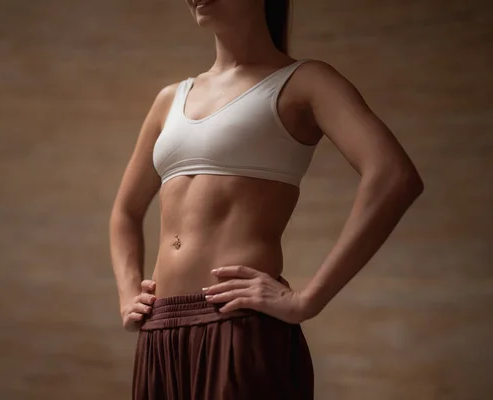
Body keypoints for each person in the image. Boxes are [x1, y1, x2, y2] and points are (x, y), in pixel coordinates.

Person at [109, 0, 424, 399]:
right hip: (162, 331)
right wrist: (127, 293)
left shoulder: (305, 82)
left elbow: (394, 177)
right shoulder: (170, 99)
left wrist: (307, 300)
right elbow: (125, 211)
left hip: (238, 326)